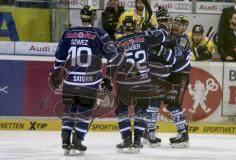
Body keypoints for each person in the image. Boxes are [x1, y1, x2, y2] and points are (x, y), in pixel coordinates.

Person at [49, 5, 117, 156]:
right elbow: (113, 56)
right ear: (93, 18)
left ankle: (65, 139)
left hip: (70, 82)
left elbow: (59, 58)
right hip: (89, 83)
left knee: (69, 109)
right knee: (85, 111)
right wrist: (108, 78)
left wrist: (54, 74)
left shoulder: (68, 33)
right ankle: (77, 141)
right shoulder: (100, 34)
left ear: (81, 17)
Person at [113, 15, 169, 153]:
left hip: (126, 83)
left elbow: (112, 64)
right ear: (134, 26)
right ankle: (137, 140)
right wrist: (160, 25)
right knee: (141, 111)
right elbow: (163, 35)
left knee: (121, 110)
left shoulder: (117, 43)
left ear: (122, 28)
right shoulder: (143, 37)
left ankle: (127, 140)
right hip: (144, 81)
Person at [146, 14, 191, 148]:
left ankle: (183, 135)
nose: (176, 26)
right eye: (175, 23)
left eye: (180, 24)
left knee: (173, 104)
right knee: (154, 100)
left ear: (184, 28)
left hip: (180, 76)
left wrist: (161, 50)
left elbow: (176, 56)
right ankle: (149, 131)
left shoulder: (183, 39)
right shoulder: (169, 36)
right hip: (167, 75)